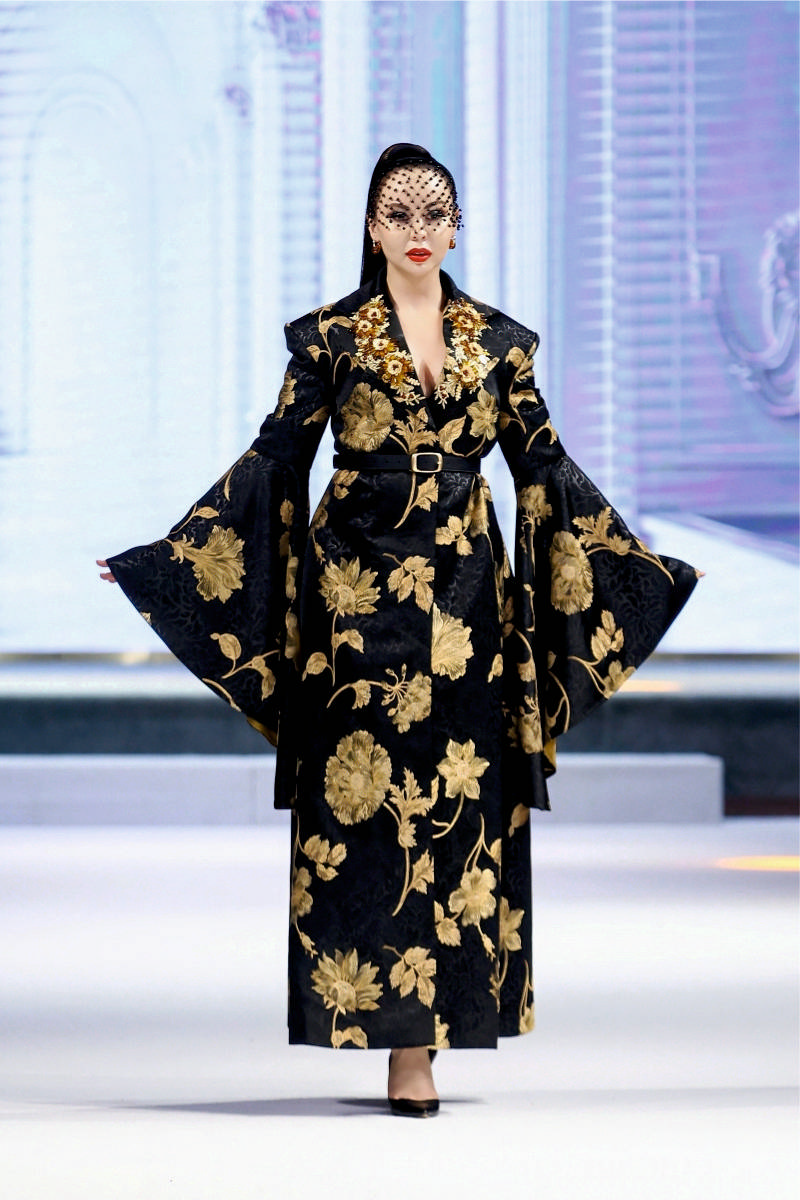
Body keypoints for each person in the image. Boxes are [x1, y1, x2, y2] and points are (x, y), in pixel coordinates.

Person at [99, 143, 699, 1117]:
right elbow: (275, 460)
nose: (419, 230)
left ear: (456, 227)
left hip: (465, 607)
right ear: (372, 227)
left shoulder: (499, 343)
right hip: (354, 603)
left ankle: (425, 1045)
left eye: (435, 212)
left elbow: (543, 469)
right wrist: (174, 559)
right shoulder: (330, 339)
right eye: (399, 212)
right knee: (367, 810)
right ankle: (396, 1041)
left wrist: (637, 573)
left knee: (457, 807)